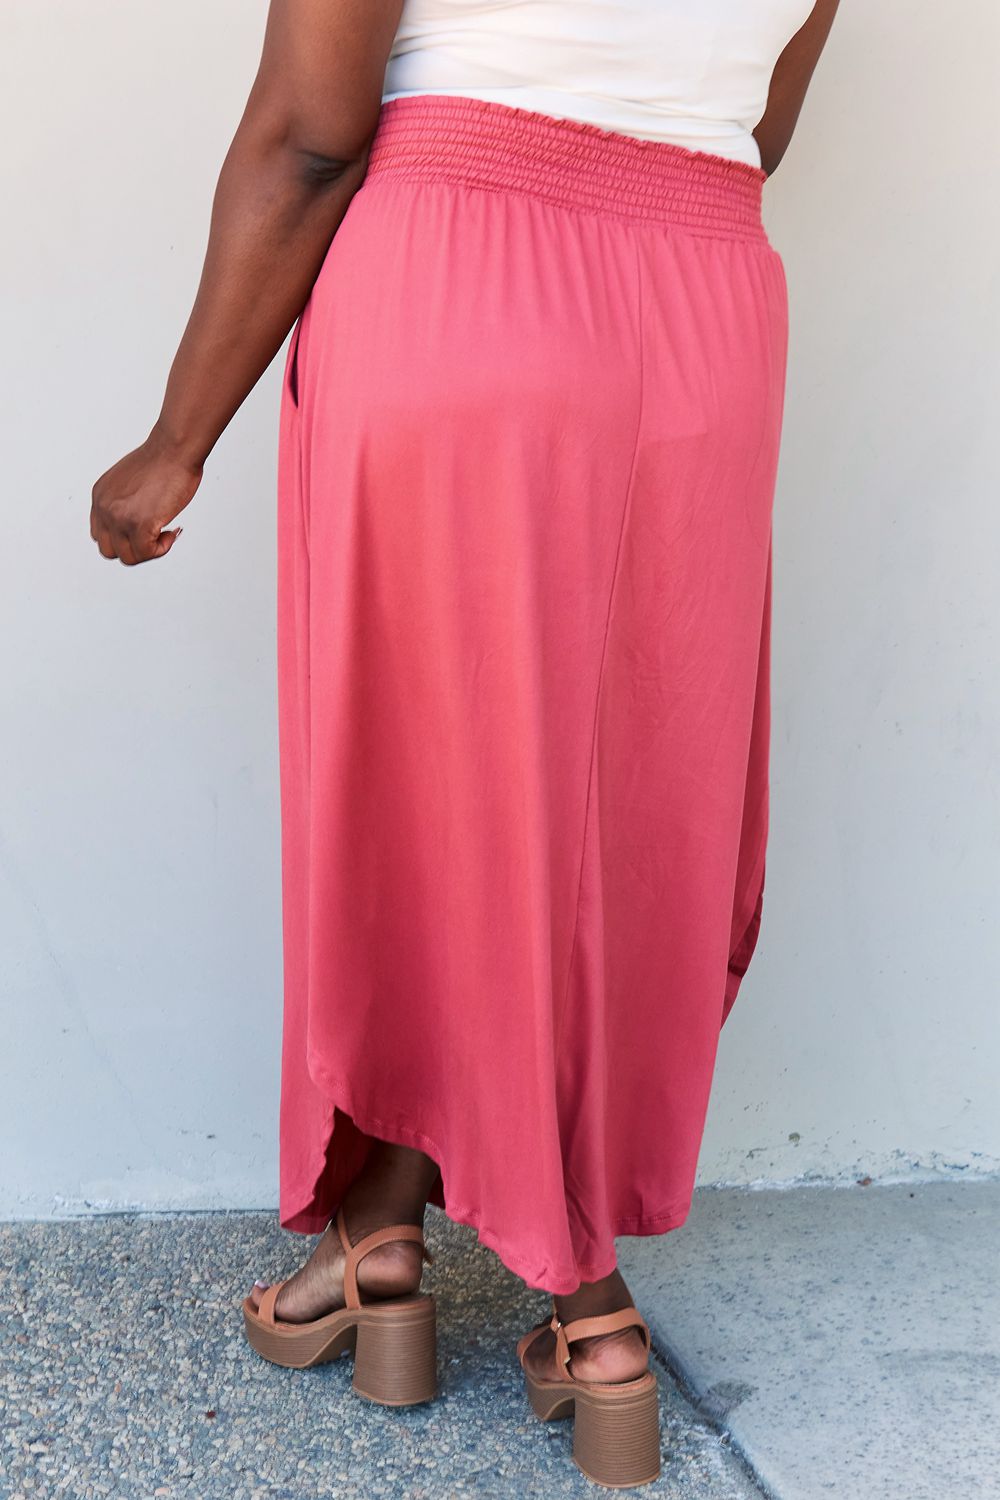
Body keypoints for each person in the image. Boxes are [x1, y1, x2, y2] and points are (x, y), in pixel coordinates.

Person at [90, 0, 841, 1487]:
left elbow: (310, 139)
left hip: (459, 278)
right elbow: (757, 123)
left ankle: (542, 1281)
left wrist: (176, 437)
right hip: (706, 307)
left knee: (421, 781)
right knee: (625, 802)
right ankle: (438, 1249)